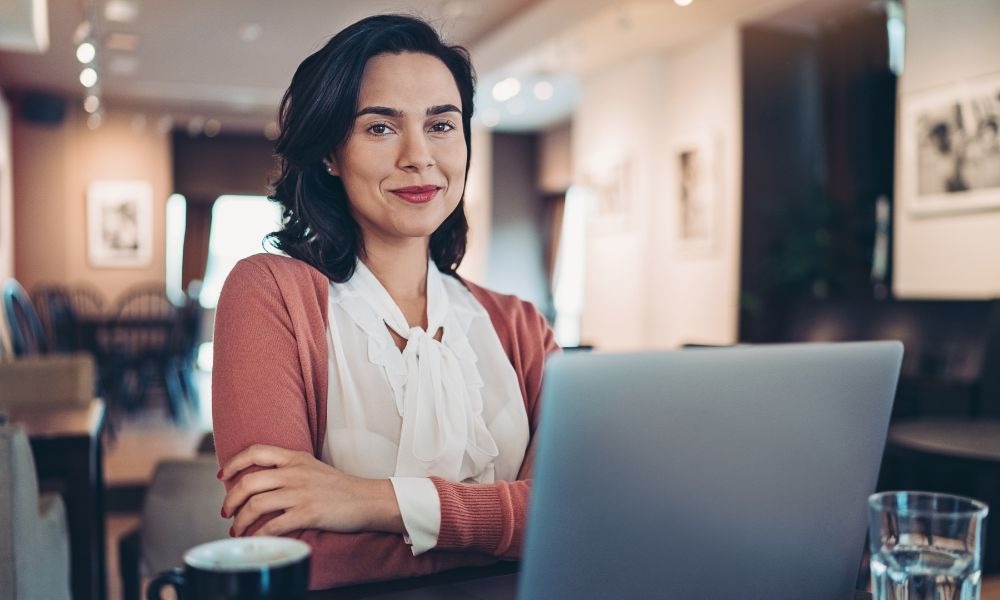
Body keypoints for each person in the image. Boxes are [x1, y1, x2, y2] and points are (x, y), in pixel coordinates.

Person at [212, 14, 559, 590]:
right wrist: (507, 531)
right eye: (380, 128)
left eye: (442, 125)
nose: (419, 156)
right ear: (329, 153)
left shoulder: (522, 327)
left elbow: (570, 515)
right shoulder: (269, 294)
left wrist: (367, 502)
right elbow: (281, 550)